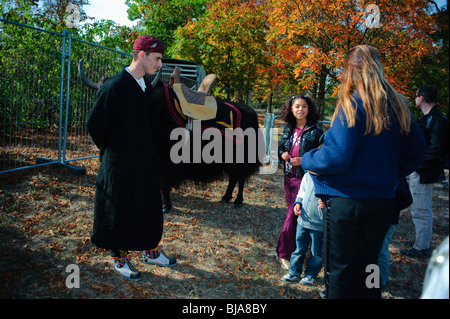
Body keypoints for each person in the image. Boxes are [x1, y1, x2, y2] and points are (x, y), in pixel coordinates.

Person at [300, 45, 427, 299]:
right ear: (378, 68)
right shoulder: (399, 104)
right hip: (382, 201)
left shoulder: (352, 102)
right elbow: (417, 152)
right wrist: (387, 171)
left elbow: (335, 157)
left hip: (347, 201)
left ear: (350, 70)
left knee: (340, 269)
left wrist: (307, 158)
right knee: (370, 264)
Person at [87, 35, 176, 281]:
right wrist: (114, 152)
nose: (159, 65)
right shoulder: (114, 86)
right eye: (157, 59)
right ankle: (119, 256)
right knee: (119, 209)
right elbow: (96, 125)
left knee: (148, 206)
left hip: (144, 162)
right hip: (119, 164)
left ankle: (149, 250)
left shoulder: (144, 87)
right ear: (142, 55)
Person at [400, 85, 449, 259]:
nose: (415, 99)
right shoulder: (428, 118)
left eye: (415, 96)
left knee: (421, 209)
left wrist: (418, 163)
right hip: (420, 169)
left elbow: (436, 148)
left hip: (425, 172)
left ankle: (421, 247)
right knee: (418, 207)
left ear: (421, 97)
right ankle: (420, 241)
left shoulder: (436, 120)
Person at [276, 95, 323, 270]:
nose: (300, 110)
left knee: (293, 215)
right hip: (289, 177)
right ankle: (288, 252)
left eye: (303, 106)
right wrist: (283, 154)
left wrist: (303, 160)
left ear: (309, 109)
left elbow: (321, 157)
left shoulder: (316, 132)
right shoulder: (288, 128)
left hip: (306, 180)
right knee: (293, 214)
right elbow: (281, 147)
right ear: (291, 109)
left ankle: (284, 253)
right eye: (296, 107)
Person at [281, 171, 325, 287]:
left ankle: (310, 275)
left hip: (319, 223)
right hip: (303, 220)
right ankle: (294, 272)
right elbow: (302, 192)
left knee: (316, 252)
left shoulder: (330, 178)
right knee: (299, 248)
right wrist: (298, 203)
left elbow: (334, 197)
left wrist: (326, 203)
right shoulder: (308, 175)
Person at [378, 177, 412, 287]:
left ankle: (381, 280)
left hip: (387, 219)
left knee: (380, 249)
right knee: (372, 249)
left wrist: (388, 208)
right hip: (372, 217)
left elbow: (407, 198)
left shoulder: (395, 172)